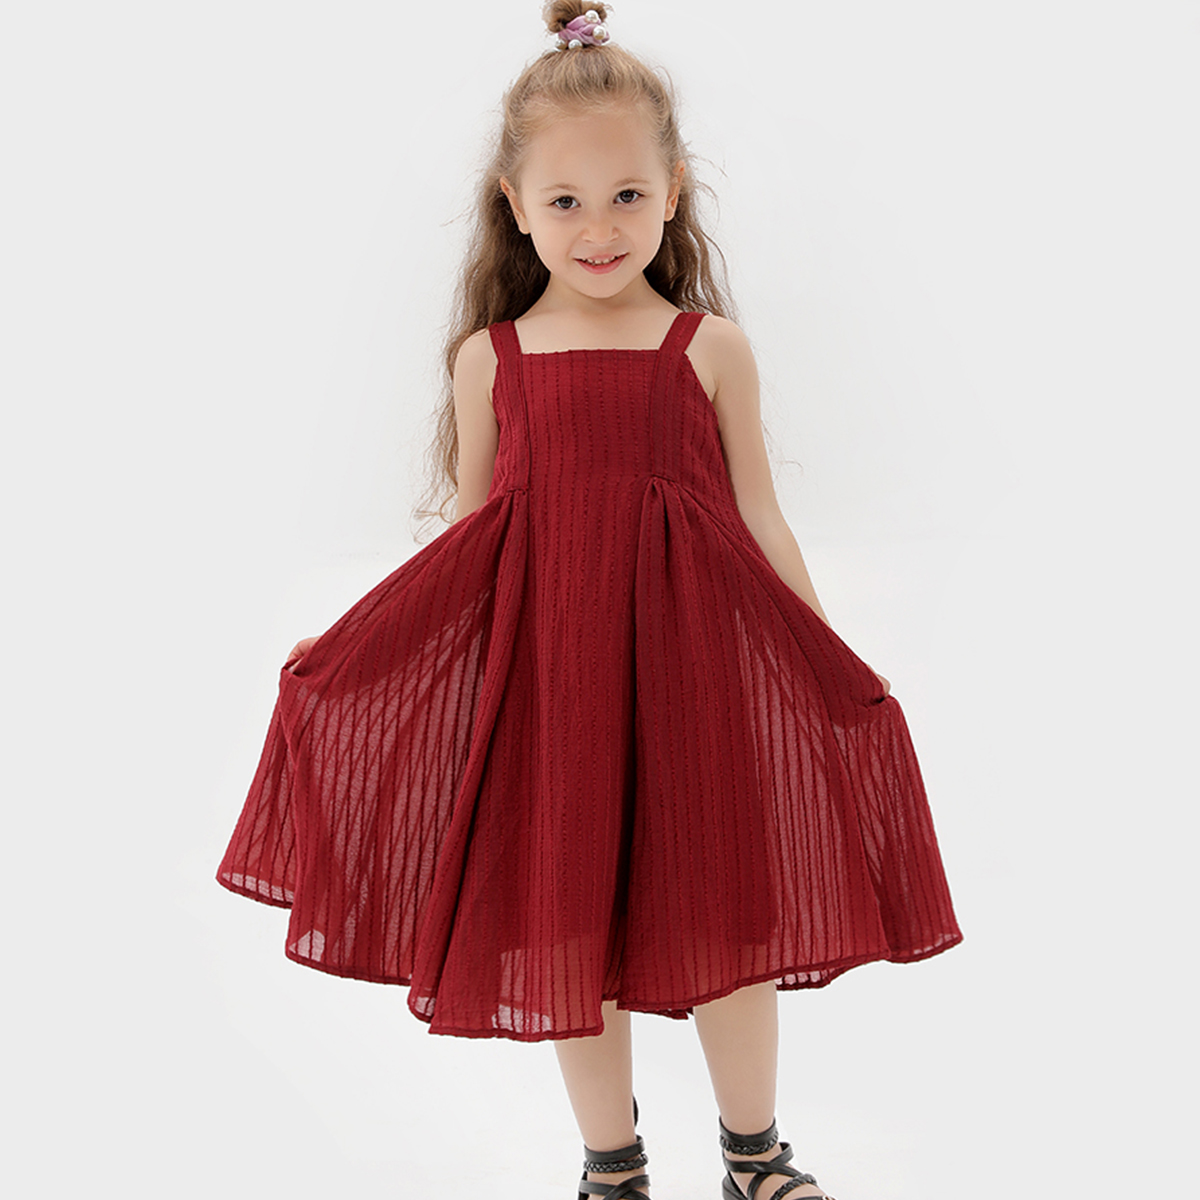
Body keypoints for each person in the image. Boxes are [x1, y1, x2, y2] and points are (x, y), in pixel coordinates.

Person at [215, 4, 965, 1198]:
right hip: (553, 693)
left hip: (695, 684)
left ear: (674, 191)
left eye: (626, 195)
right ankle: (613, 1166)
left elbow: (761, 518)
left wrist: (825, 655)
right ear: (513, 206)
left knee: (728, 928)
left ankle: (755, 1157)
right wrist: (359, 638)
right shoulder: (490, 361)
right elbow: (470, 542)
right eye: (564, 201)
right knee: (570, 932)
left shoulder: (710, 348)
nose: (600, 227)